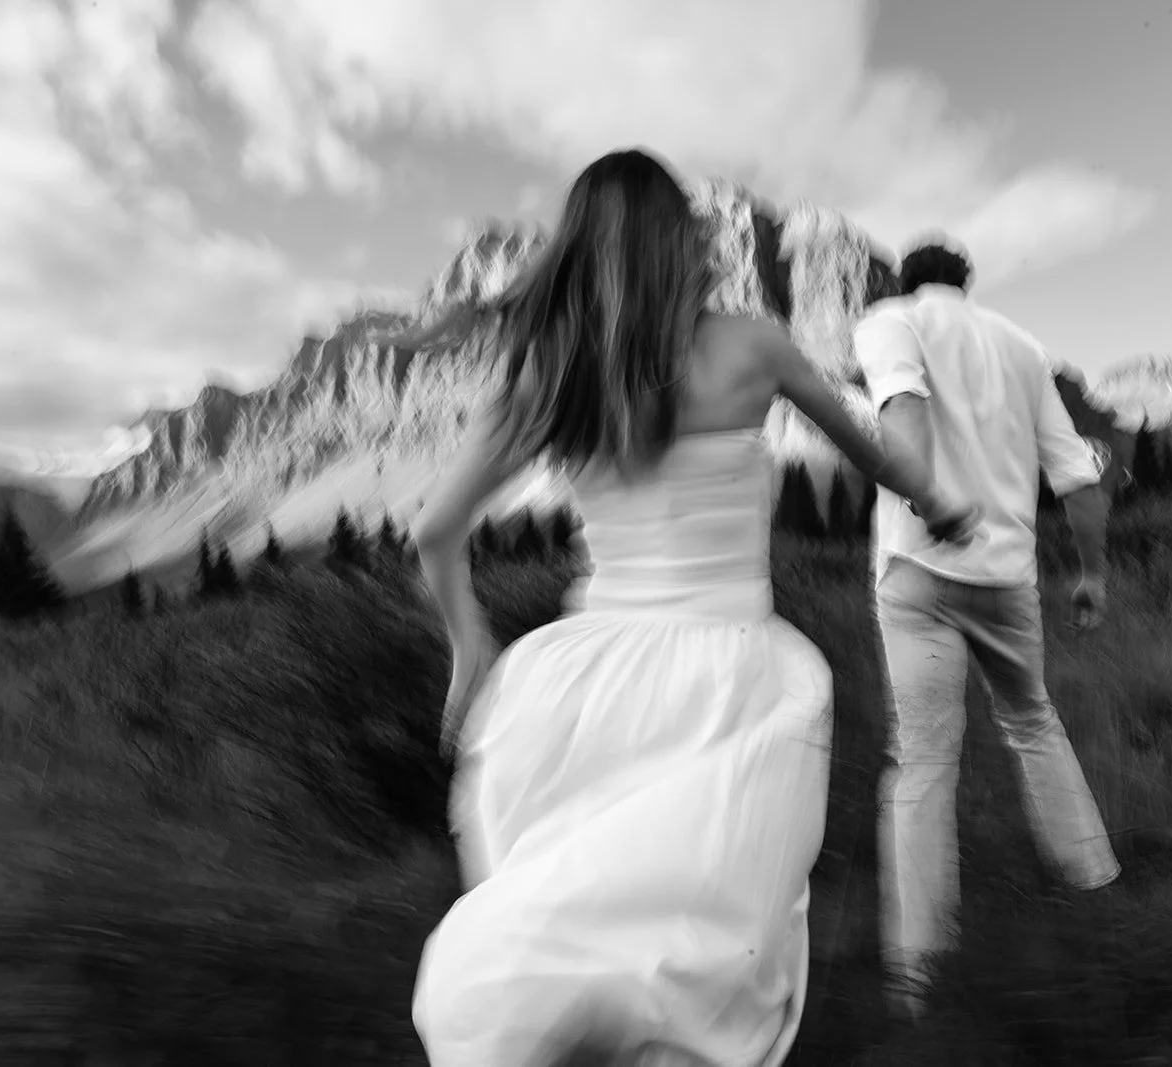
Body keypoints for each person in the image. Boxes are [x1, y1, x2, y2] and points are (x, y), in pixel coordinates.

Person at [405, 149, 980, 1067]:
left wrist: (469, 648)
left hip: (587, 683)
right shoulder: (751, 346)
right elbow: (878, 459)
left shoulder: (551, 373)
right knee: (699, 952)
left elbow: (435, 531)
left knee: (574, 926)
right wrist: (945, 503)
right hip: (730, 677)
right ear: (683, 239)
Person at [854, 237, 1122, 1015]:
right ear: (966, 283)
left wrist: (923, 498)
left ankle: (920, 975)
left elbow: (901, 405)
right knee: (1033, 721)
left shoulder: (889, 320)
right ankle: (1095, 884)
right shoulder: (1020, 345)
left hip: (919, 570)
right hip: (1007, 577)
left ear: (909, 282)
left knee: (924, 760)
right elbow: (1075, 473)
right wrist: (1092, 573)